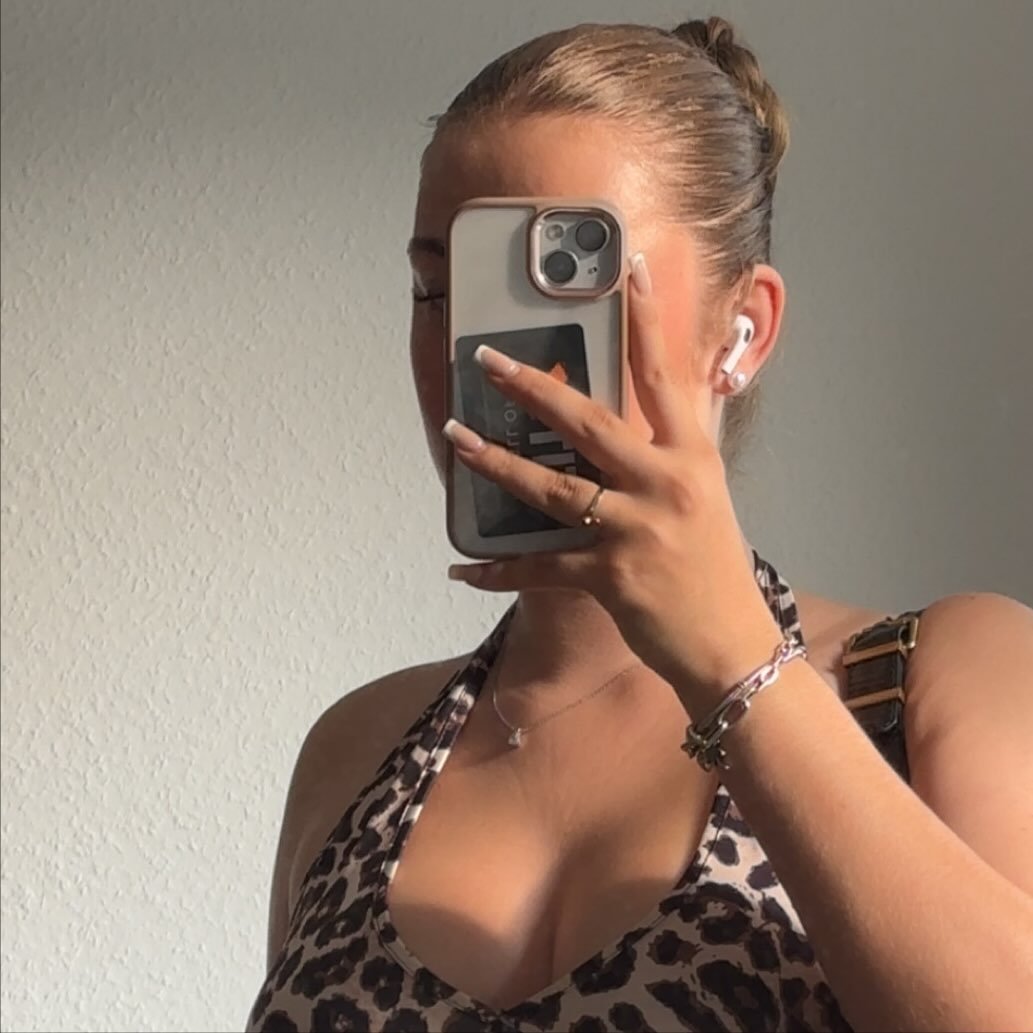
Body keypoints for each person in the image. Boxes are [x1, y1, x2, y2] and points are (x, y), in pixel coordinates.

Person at [246, 15, 1033, 1033]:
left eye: (570, 280)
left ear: (742, 329)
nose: (493, 357)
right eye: (443, 288)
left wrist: (734, 662)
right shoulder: (358, 753)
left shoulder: (936, 682)